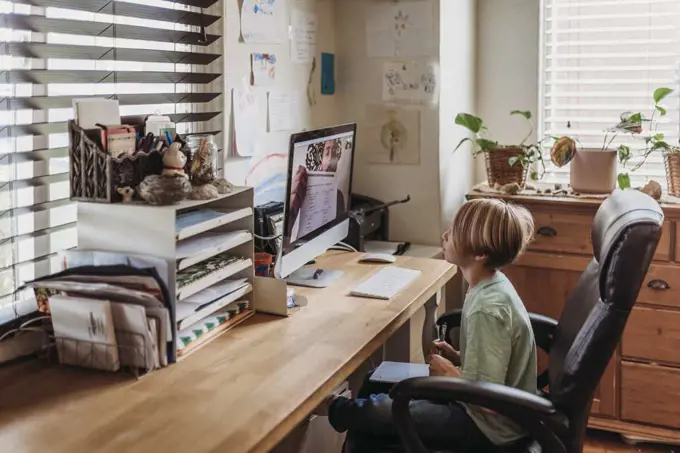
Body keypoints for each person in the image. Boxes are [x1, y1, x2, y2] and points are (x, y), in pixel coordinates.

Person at [325, 198, 538, 452]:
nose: (446, 235)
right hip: (477, 409)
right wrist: (460, 357)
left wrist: (451, 373)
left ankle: (333, 407)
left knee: (380, 411)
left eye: (455, 232)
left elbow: (489, 400)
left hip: (487, 427)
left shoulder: (488, 309)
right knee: (375, 379)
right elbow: (495, 363)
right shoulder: (489, 286)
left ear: (480, 254)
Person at [287, 139, 346, 238]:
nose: (331, 158)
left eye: (335, 152)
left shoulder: (338, 196)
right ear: (319, 157)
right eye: (327, 152)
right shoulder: (302, 190)